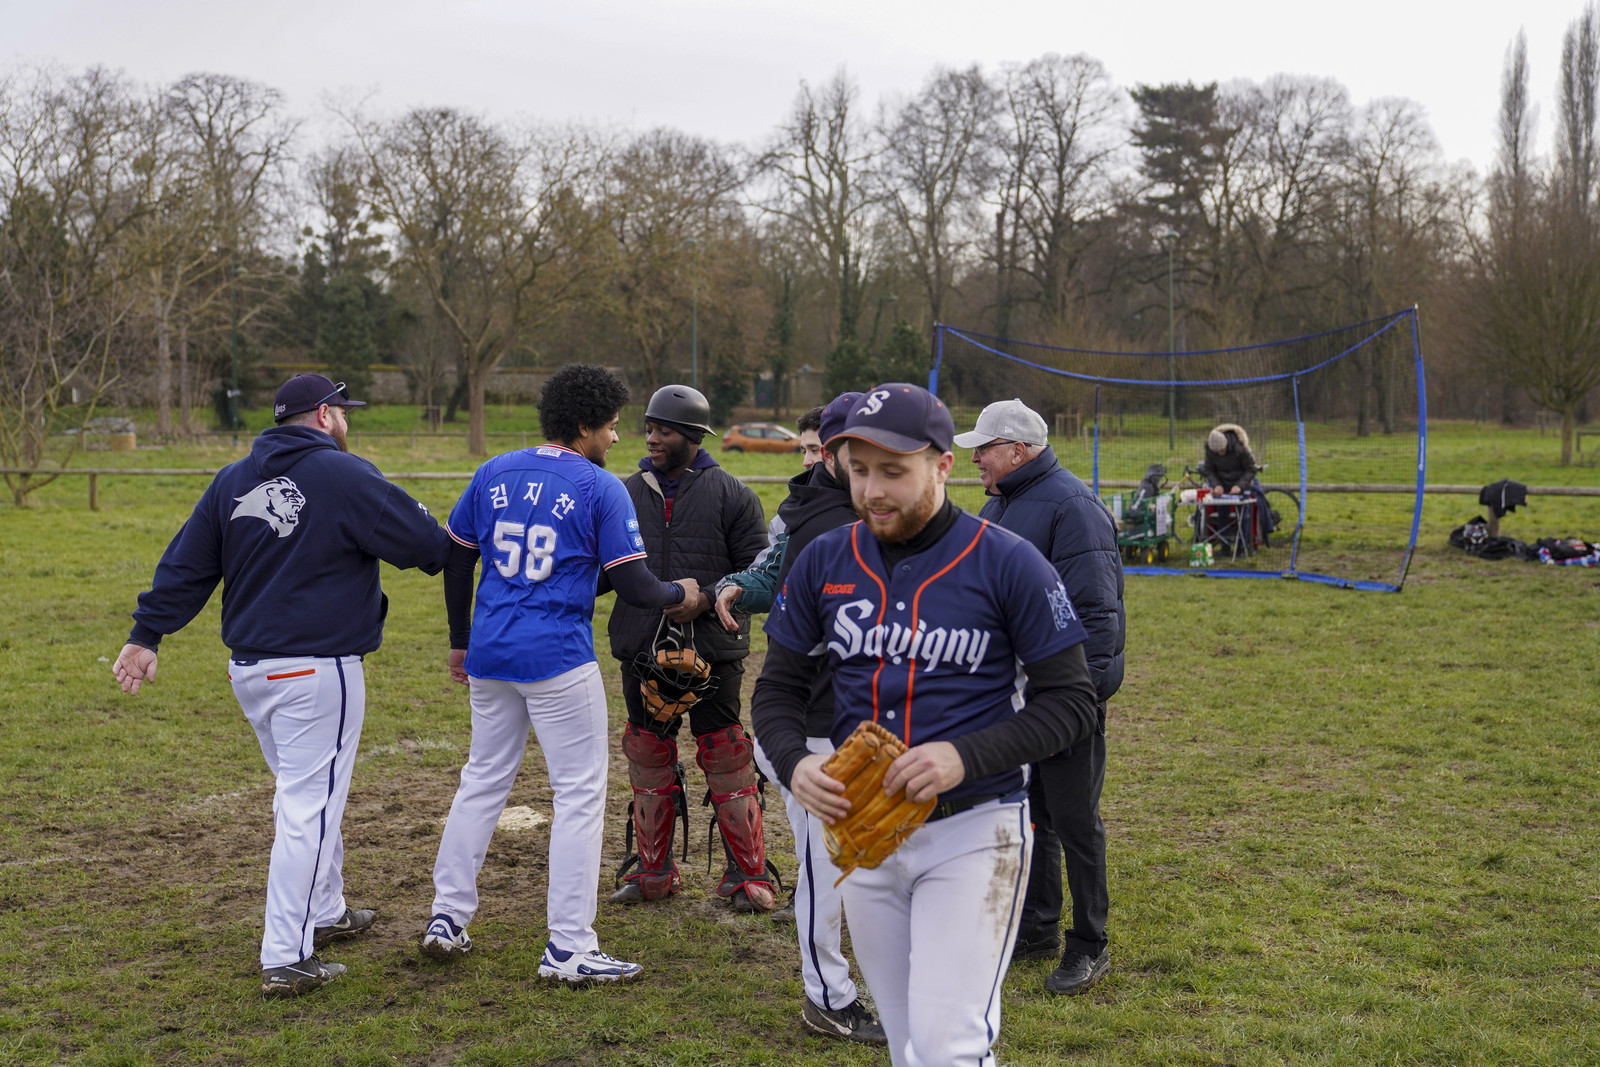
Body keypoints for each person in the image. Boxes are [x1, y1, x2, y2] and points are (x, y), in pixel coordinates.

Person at [751, 383, 1101, 1066]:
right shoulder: (825, 558)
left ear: (942, 464)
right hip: (868, 834)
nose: (873, 489)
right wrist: (795, 761)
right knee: (912, 1043)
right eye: (858, 469)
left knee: (949, 1042)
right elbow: (778, 689)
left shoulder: (1008, 562)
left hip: (974, 828)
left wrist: (962, 756)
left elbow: (1072, 702)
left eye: (893, 470)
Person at [111, 374, 452, 998]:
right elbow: (430, 547)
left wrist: (146, 633)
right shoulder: (346, 475)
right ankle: (287, 955)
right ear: (323, 416)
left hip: (252, 672)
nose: (348, 421)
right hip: (317, 670)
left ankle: (325, 911)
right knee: (308, 807)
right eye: (343, 411)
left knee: (305, 797)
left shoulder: (233, 477)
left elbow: (186, 566)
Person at [422, 364, 703, 983]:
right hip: (554, 657)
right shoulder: (601, 486)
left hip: (491, 652)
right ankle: (569, 948)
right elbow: (632, 582)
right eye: (609, 426)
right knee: (578, 795)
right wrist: (676, 592)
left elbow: (456, 557)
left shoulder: (494, 469)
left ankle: (447, 915)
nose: (616, 438)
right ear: (583, 426)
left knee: (482, 780)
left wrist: (459, 641)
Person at [713, 391, 886, 1046]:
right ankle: (827, 996)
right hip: (815, 724)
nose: (871, 465)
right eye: (853, 452)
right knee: (826, 867)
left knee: (862, 862)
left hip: (855, 719)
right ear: (832, 453)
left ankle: (860, 981)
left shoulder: (856, 507)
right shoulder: (823, 522)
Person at [955, 398, 1125, 996]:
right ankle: (1037, 928)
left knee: (1076, 821)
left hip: (1062, 696)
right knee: (1032, 815)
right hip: (1015, 697)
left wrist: (1079, 696)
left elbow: (1098, 613)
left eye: (984, 447)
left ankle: (1090, 944)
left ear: (1018, 451)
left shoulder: (1071, 507)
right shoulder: (1002, 503)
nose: (974, 457)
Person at [603, 384, 774, 910]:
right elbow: (601, 570)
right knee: (647, 753)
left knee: (726, 753)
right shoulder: (622, 493)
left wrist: (703, 599)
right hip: (640, 644)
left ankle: (749, 876)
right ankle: (654, 872)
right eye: (649, 427)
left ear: (694, 437)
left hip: (713, 648)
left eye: (665, 430)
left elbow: (758, 573)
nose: (652, 437)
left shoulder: (734, 495)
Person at [1198, 423, 1276, 546]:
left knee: (1243, 516)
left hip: (1241, 485)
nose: (1219, 453)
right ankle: (1225, 546)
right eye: (1216, 452)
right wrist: (1216, 485)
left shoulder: (1241, 449)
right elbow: (1209, 470)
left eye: (1221, 451)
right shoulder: (1210, 450)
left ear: (1226, 445)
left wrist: (1239, 485)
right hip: (1222, 488)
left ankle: (1243, 546)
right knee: (1222, 515)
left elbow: (1251, 469)